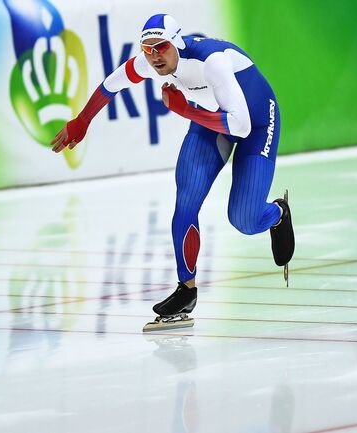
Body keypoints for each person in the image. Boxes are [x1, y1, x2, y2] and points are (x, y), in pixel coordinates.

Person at [51, 14, 294, 328]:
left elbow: (242, 125)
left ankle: (278, 213)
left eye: (161, 47)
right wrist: (82, 121)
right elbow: (112, 84)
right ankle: (186, 290)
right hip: (210, 121)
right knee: (186, 201)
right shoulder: (148, 60)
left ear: (176, 43)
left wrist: (185, 110)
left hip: (257, 122)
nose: (154, 56)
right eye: (147, 49)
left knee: (244, 220)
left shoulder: (213, 63)